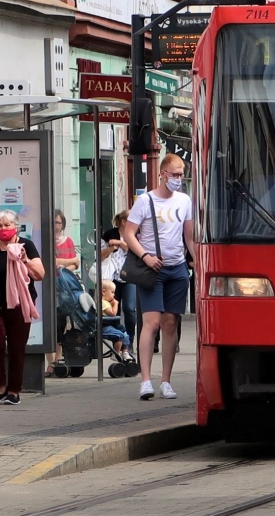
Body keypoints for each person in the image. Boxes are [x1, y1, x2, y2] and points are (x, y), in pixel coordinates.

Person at [122, 153, 196, 401]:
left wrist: (196, 259)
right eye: (174, 174)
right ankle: (145, 380)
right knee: (151, 323)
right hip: (152, 269)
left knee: (170, 324)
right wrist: (145, 257)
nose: (178, 178)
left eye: (181, 174)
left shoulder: (185, 200)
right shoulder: (146, 201)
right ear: (162, 174)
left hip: (177, 269)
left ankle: (166, 380)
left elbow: (189, 236)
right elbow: (129, 234)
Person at [0, 211, 44, 405]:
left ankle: (14, 391)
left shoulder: (26, 246)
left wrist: (24, 259)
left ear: (16, 226)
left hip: (21, 303)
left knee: (16, 347)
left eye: (7, 225)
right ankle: (0, 387)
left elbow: (40, 274)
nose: (3, 229)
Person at [48, 209, 80, 375]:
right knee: (50, 323)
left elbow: (77, 264)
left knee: (62, 323)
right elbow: (50, 262)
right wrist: (67, 262)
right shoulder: (46, 240)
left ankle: (58, 361)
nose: (56, 226)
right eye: (53, 222)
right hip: (49, 286)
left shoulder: (68, 241)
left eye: (59, 222)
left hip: (65, 287)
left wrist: (63, 267)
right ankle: (50, 363)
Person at [101, 210, 138, 341]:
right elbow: (99, 256)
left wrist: (121, 243)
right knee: (112, 309)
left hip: (130, 277)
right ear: (123, 222)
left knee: (129, 308)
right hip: (112, 278)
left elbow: (136, 252)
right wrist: (111, 248)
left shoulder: (135, 235)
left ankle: (130, 339)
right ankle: (118, 339)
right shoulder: (109, 234)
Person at [99, 280, 135, 361]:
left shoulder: (107, 302)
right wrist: (116, 304)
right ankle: (116, 353)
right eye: (112, 292)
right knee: (120, 335)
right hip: (105, 326)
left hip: (111, 324)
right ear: (104, 292)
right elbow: (113, 313)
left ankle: (125, 352)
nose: (114, 295)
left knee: (125, 335)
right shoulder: (102, 303)